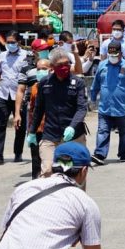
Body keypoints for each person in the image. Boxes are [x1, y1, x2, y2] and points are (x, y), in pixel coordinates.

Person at [27, 49, 88, 177]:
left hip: (73, 136)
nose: (64, 67)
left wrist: (72, 126)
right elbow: (39, 109)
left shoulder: (78, 83)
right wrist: (32, 132)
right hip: (50, 135)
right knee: (47, 171)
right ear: (53, 67)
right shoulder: (45, 83)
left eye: (67, 64)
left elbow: (82, 108)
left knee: (70, 174)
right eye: (60, 65)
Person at [90, 42, 125, 165]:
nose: (112, 56)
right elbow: (95, 84)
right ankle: (100, 154)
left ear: (121, 53)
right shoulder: (102, 66)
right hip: (105, 107)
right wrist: (92, 99)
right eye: (110, 53)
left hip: (122, 108)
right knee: (103, 130)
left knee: (124, 133)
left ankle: (123, 154)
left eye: (115, 53)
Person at [0, 31, 29, 164]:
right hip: (3, 94)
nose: (10, 44)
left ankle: (18, 153)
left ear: (18, 42)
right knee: (0, 125)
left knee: (19, 127)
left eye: (12, 42)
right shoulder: (2, 56)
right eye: (8, 42)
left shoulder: (26, 56)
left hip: (19, 96)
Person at [25, 59, 50, 179]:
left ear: (51, 70)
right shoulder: (34, 87)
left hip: (51, 128)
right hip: (36, 128)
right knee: (36, 159)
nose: (40, 71)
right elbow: (32, 109)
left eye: (44, 69)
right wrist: (30, 130)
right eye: (38, 69)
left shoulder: (55, 86)